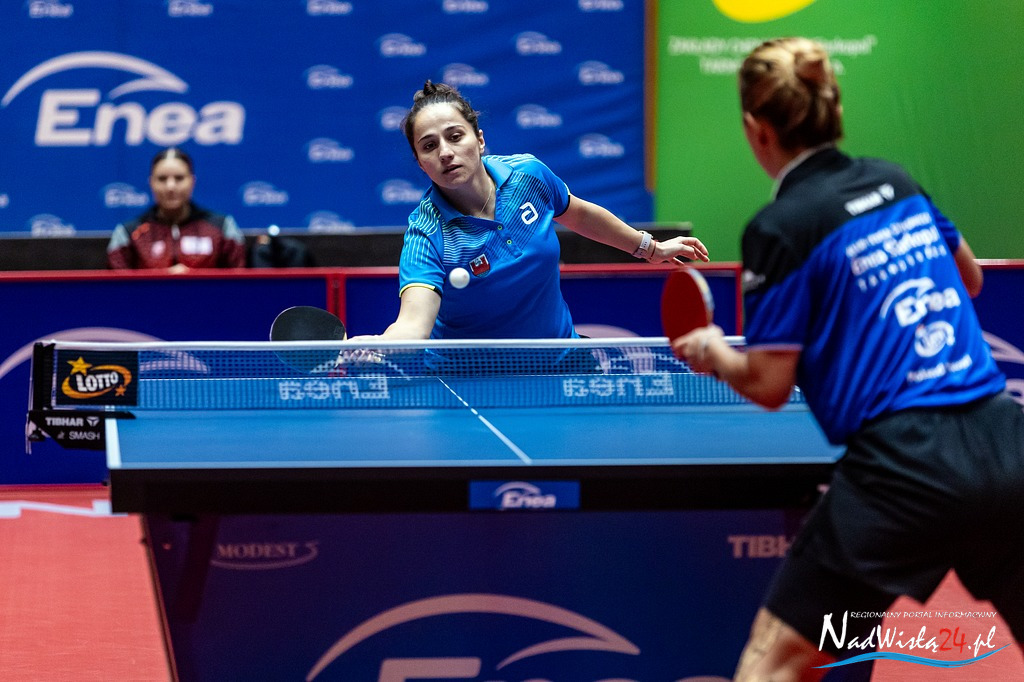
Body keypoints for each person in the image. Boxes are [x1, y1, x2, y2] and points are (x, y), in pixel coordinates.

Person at [672, 37, 1024, 681]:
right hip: (1006, 442)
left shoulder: (780, 228)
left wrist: (712, 350)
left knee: (776, 664)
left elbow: (770, 383)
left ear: (756, 128)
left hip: (904, 472)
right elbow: (969, 280)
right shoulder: (896, 180)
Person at [361, 80, 709, 341]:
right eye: (429, 146)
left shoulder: (528, 176)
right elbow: (413, 326)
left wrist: (650, 248)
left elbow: (579, 214)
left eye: (455, 136)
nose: (445, 152)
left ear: (479, 140)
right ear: (421, 163)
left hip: (557, 360)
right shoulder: (426, 232)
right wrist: (377, 346)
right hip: (471, 378)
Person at [106, 148, 246, 271]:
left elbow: (239, 284)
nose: (170, 187)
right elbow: (118, 288)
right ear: (151, 183)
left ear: (192, 181)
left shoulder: (222, 228)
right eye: (162, 179)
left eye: (179, 178)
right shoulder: (129, 233)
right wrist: (166, 280)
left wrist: (190, 280)